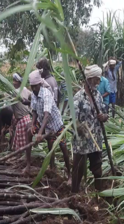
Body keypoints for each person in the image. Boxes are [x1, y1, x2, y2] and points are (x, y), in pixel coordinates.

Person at [25, 70, 71, 184]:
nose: (34, 89)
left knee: (63, 148)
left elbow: (47, 115)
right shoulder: (34, 95)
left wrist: (40, 133)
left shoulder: (46, 93)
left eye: (35, 87)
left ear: (40, 84)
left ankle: (70, 174)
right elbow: (35, 111)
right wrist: (33, 124)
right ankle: (28, 165)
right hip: (43, 124)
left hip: (56, 125)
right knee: (29, 133)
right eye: (32, 87)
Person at [71, 65, 109, 193]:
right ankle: (74, 193)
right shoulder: (78, 97)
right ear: (89, 79)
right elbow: (73, 120)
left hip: (96, 138)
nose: (98, 83)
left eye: (99, 80)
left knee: (97, 167)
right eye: (96, 80)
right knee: (78, 168)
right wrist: (80, 127)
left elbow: (104, 112)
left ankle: (99, 193)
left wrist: (104, 117)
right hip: (82, 140)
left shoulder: (98, 95)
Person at [9, 73, 33, 152]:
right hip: (25, 119)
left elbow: (33, 97)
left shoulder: (14, 92)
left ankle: (23, 159)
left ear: (19, 82)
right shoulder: (24, 89)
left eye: (15, 81)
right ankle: (21, 157)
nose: (13, 83)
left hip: (23, 119)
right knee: (21, 141)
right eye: (13, 81)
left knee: (22, 144)